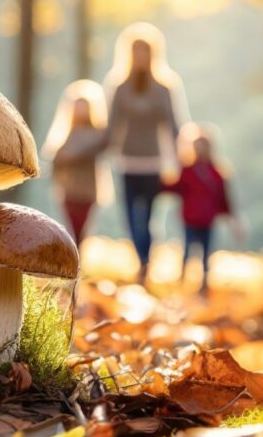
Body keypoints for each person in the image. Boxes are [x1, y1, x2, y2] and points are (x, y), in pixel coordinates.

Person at [103, 23, 190, 281]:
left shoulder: (164, 87)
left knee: (149, 216)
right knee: (130, 215)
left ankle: (147, 260)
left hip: (153, 161)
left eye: (145, 51)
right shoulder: (120, 86)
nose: (140, 56)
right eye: (136, 51)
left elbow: (174, 125)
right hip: (127, 160)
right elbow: (110, 126)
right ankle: (140, 258)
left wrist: (182, 158)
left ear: (153, 54)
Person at [162, 126, 242, 293]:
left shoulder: (216, 174)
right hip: (190, 218)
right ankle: (182, 278)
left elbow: (224, 200)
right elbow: (174, 188)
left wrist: (234, 222)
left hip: (207, 220)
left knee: (206, 252)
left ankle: (204, 282)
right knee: (188, 249)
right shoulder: (187, 171)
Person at [42, 80, 113, 243]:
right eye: (78, 106)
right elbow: (56, 160)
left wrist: (75, 156)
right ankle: (72, 261)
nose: (81, 110)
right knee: (70, 228)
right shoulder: (66, 133)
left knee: (82, 229)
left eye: (84, 106)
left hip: (89, 190)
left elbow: (104, 145)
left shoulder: (98, 134)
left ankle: (77, 259)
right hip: (68, 190)